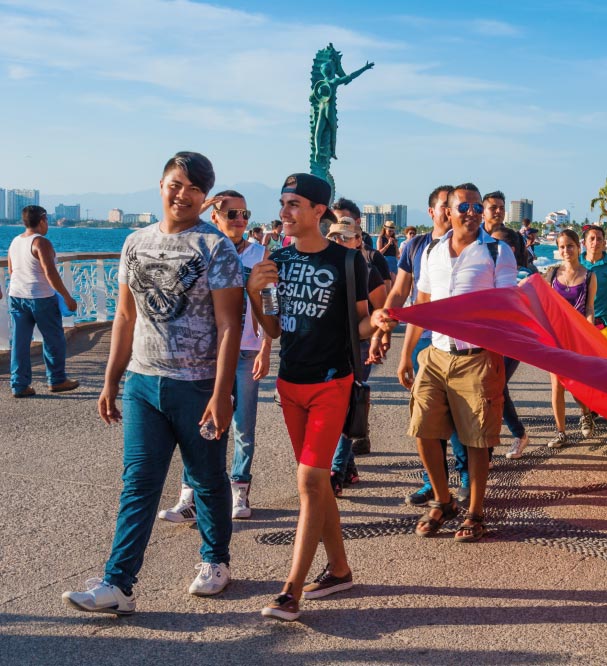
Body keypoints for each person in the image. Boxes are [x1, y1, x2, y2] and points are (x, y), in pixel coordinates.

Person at [62, 152, 244, 615]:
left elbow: (229, 325)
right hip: (143, 382)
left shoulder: (214, 247)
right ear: (161, 185)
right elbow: (124, 316)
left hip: (197, 384)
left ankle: (215, 560)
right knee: (138, 483)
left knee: (206, 479)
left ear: (204, 199)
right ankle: (118, 584)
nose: (182, 194)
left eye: (193, 189)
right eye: (175, 184)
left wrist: (222, 394)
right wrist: (111, 380)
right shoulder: (134, 243)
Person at [247, 172, 374, 621]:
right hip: (290, 382)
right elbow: (275, 328)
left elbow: (359, 324)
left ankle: (290, 591)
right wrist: (254, 293)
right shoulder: (277, 259)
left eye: (294, 204)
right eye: (283, 203)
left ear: (320, 211)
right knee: (318, 484)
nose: (284, 212)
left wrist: (378, 325)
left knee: (307, 483)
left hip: (331, 382)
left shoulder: (347, 262)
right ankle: (339, 570)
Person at [381, 183, 517, 543]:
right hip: (435, 354)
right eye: (463, 207)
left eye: (476, 207)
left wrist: (497, 358)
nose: (470, 212)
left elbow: (505, 306)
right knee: (423, 428)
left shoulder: (497, 252)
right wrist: (405, 354)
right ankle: (443, 500)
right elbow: (422, 303)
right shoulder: (431, 251)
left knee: (476, 440)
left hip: (477, 357)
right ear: (448, 212)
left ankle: (474, 511)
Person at [158, 190, 272, 523]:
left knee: (243, 427)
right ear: (215, 217)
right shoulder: (200, 249)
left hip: (247, 349)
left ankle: (239, 488)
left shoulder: (261, 253)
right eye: (231, 213)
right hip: (205, 351)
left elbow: (271, 304)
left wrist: (266, 346)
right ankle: (189, 496)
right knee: (200, 425)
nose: (239, 220)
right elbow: (174, 283)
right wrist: (202, 207)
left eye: (245, 214)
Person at [370, 185, 472, 506]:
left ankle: (467, 479)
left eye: (451, 206)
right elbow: (401, 292)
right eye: (444, 206)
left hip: (458, 344)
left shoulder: (465, 246)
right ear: (432, 212)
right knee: (427, 419)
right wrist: (384, 330)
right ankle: (433, 482)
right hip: (423, 341)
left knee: (458, 417)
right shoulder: (416, 246)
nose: (448, 211)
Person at [325, 218, 387, 494]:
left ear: (358, 241)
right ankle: (348, 468)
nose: (339, 242)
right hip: (329, 346)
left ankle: (337, 470)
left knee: (346, 406)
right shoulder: (323, 268)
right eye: (335, 236)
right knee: (336, 408)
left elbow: (381, 309)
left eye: (345, 237)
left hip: (358, 345)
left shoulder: (367, 269)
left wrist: (377, 338)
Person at [7, 205, 80, 397]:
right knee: (54, 339)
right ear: (42, 220)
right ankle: (57, 380)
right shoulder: (41, 242)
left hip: (16, 295)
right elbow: (51, 274)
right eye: (46, 221)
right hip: (40, 298)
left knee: (20, 342)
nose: (47, 224)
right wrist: (67, 297)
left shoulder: (15, 242)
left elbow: (11, 271)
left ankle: (19, 385)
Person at [543, 229, 597, 449]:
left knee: (576, 384)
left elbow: (589, 308)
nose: (566, 250)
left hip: (577, 336)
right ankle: (561, 432)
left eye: (570, 246)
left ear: (579, 247)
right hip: (555, 335)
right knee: (557, 385)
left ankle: (585, 414)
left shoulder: (589, 276)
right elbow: (543, 302)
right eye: (562, 246)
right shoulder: (552, 274)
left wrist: (589, 332)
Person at [491, 225, 534, 458]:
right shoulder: (488, 272)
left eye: (498, 244)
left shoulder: (525, 275)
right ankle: (488, 444)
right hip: (491, 338)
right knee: (493, 387)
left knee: (497, 385)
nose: (493, 248)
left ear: (512, 248)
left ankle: (517, 434)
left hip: (515, 339)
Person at [580, 224, 607, 339]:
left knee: (599, 354)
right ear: (584, 243)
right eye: (592, 239)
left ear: (604, 243)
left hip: (601, 319)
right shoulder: (576, 263)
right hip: (577, 318)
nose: (596, 242)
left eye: (599, 239)